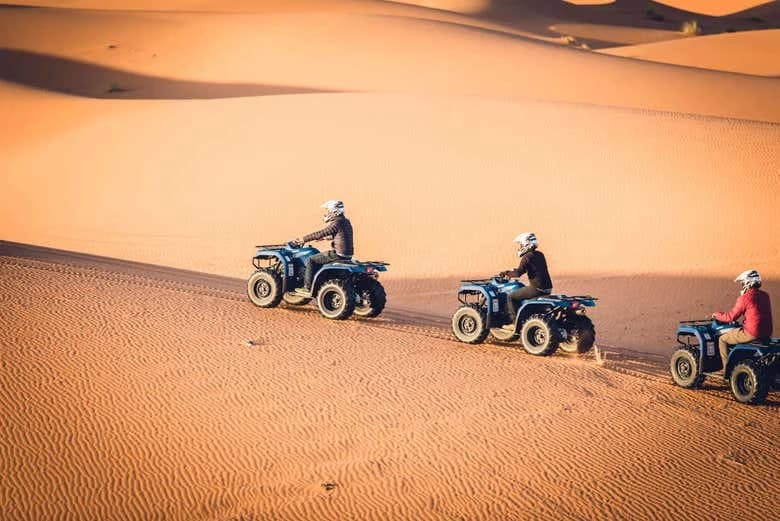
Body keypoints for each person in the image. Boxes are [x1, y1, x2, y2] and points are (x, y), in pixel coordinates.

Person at [712, 269, 773, 371]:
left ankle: (726, 370)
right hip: (766, 333)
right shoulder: (765, 295)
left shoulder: (745, 298)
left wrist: (717, 315)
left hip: (751, 333)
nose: (743, 286)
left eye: (743, 283)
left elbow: (731, 317)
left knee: (722, 339)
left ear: (747, 283)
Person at [292, 200, 354, 296]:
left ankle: (307, 288)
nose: (327, 214)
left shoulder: (336, 223)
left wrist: (304, 239)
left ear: (334, 211)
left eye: (329, 211)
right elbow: (341, 235)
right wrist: (325, 238)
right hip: (347, 255)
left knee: (311, 260)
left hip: (338, 254)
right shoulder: (345, 222)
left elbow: (320, 233)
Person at [499, 232, 553, 322]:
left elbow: (518, 273)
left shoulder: (527, 257)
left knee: (511, 297)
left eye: (521, 244)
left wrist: (506, 273)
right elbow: (530, 268)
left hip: (537, 289)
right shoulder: (540, 254)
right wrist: (513, 271)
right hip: (547, 288)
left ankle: (514, 322)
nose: (520, 247)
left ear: (526, 244)